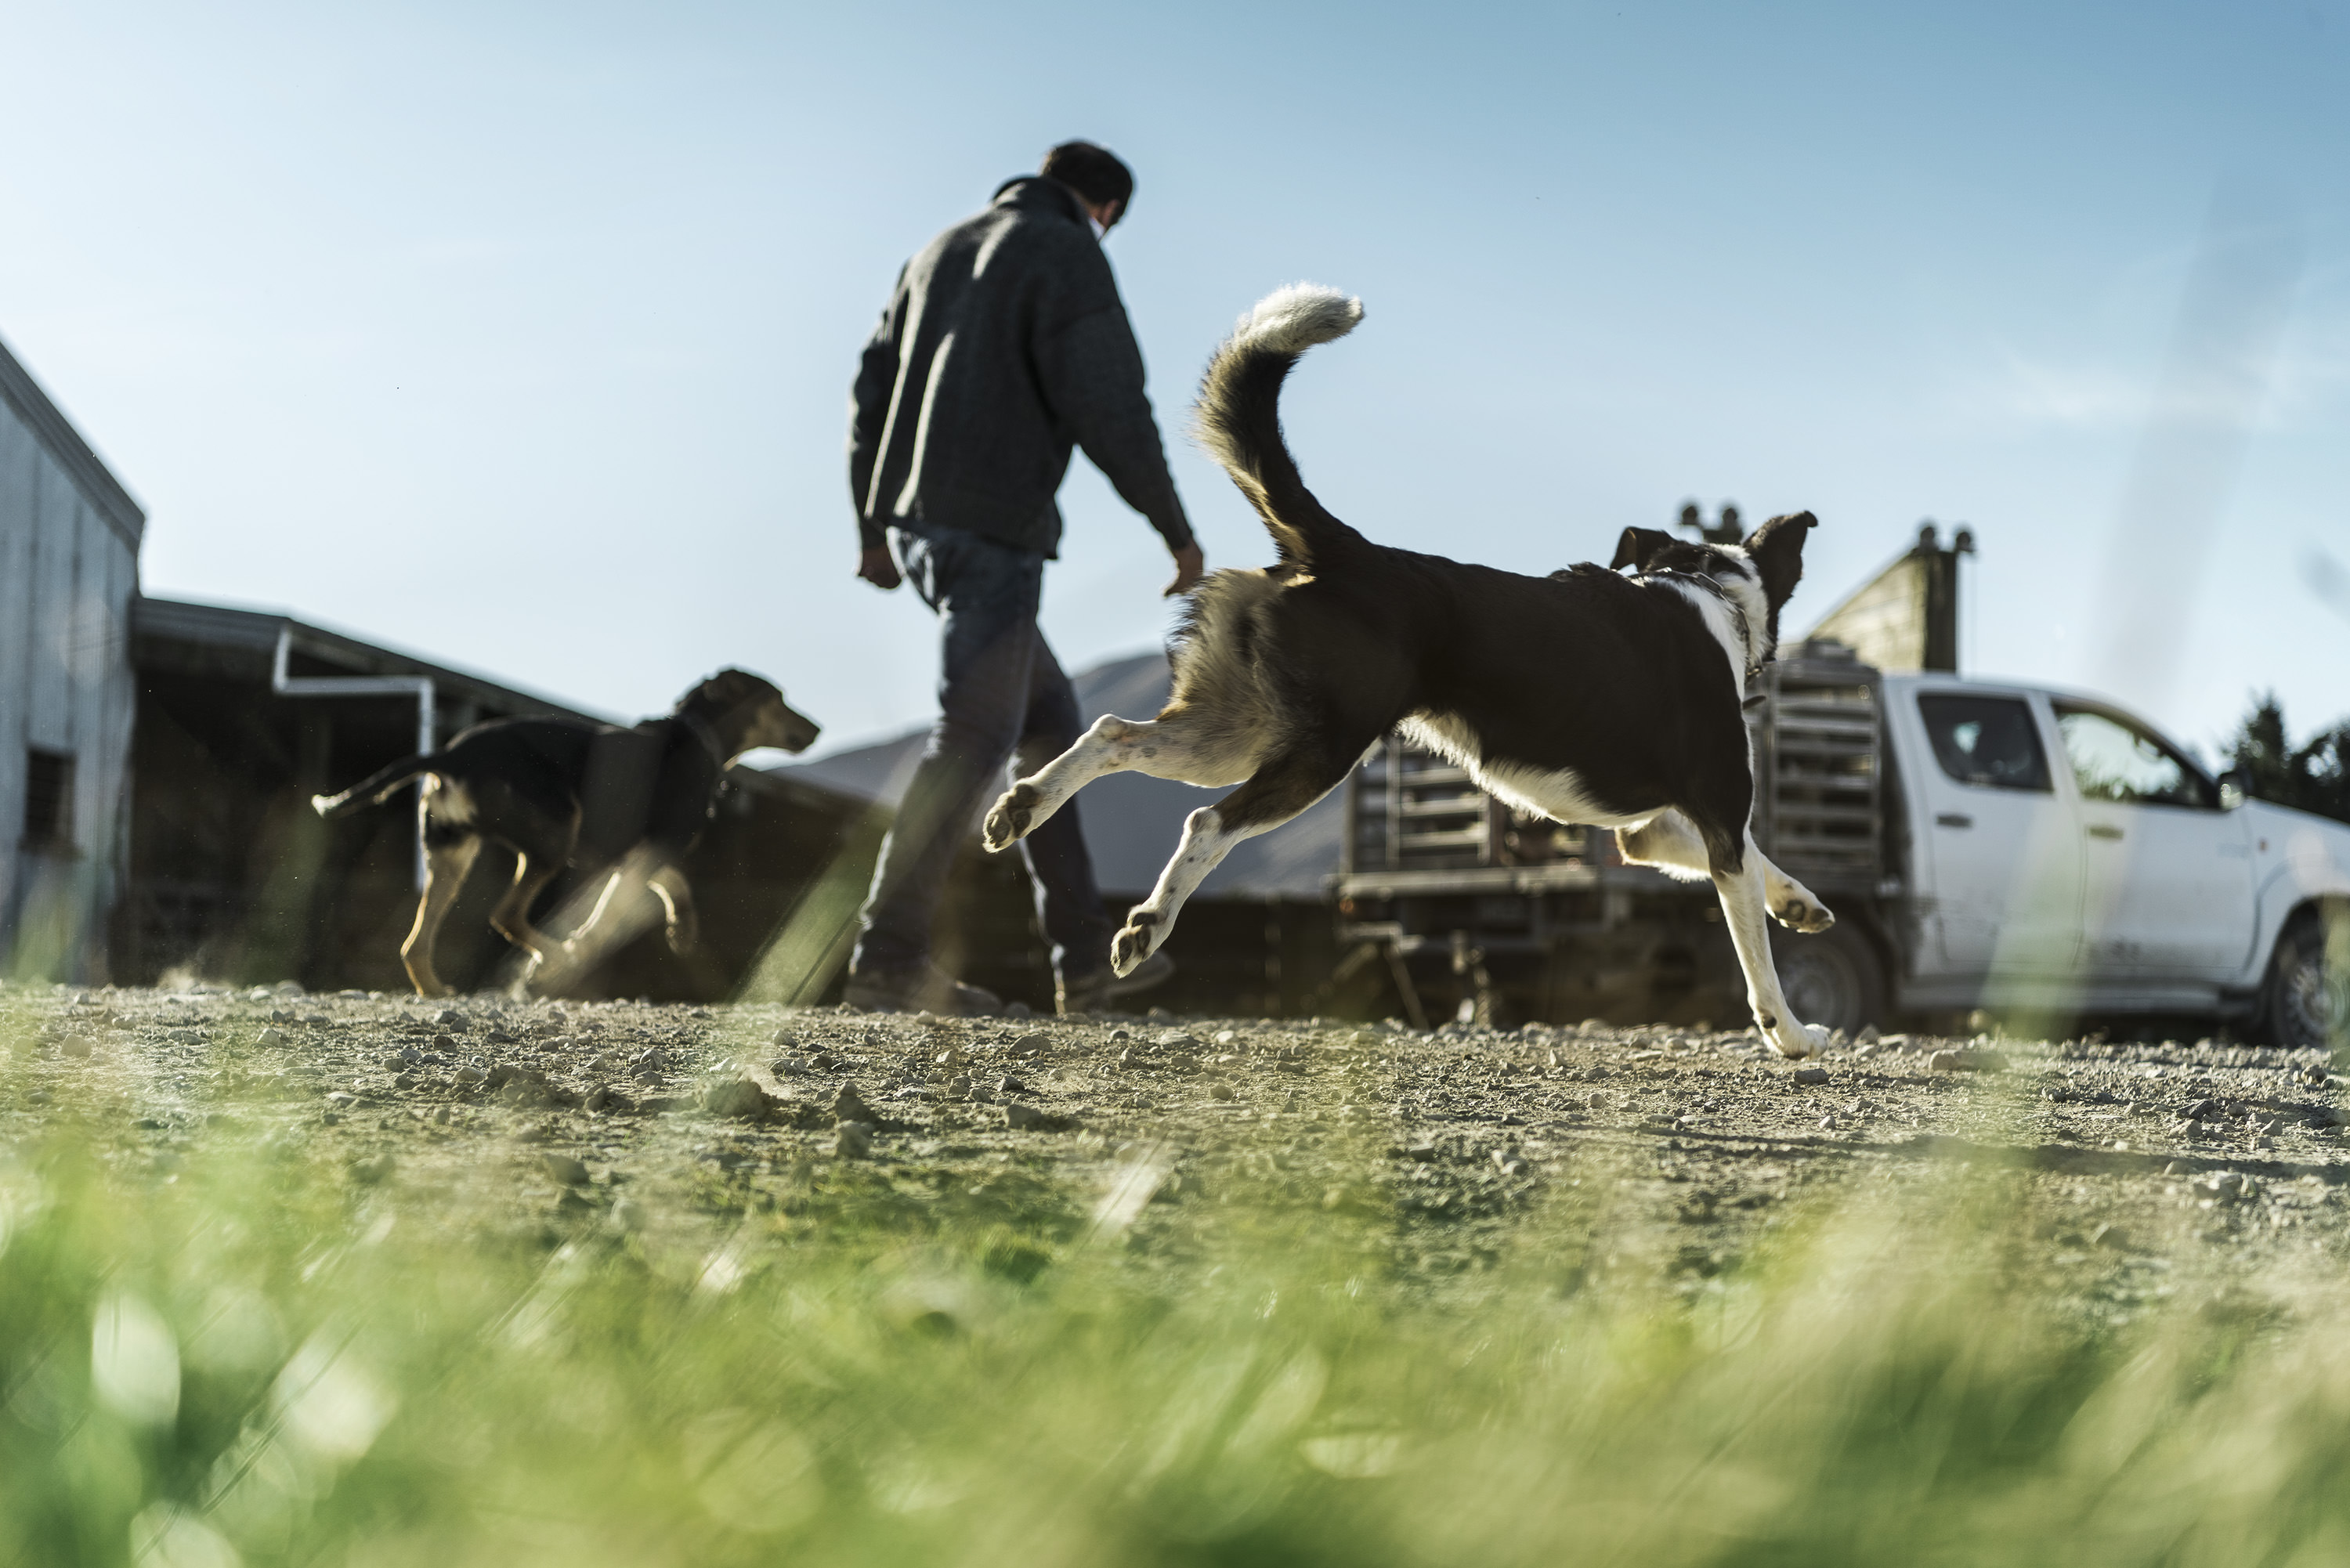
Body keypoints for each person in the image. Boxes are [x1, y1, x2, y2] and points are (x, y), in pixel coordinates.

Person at [844, 140, 1203, 1016]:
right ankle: (887, 960)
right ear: (1104, 211)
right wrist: (1177, 533)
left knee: (1049, 730)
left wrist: (872, 529)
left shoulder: (938, 249)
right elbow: (1110, 401)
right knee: (972, 735)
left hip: (924, 529)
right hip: (994, 531)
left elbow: (871, 393)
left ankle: (1084, 958)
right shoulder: (1066, 251)